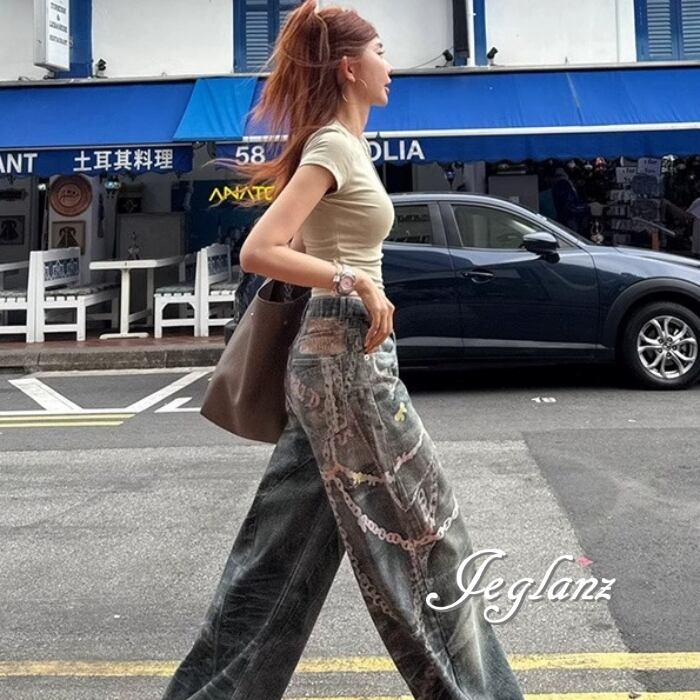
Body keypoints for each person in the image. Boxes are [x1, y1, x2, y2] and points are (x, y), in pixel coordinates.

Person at [161, 2, 525, 698]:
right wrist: (353, 279)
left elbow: (302, 244)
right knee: (429, 537)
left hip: (334, 355)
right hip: (345, 362)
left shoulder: (344, 145)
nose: (391, 66)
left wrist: (339, 274)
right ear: (350, 68)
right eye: (381, 51)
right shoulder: (331, 145)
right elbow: (261, 249)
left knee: (279, 559)